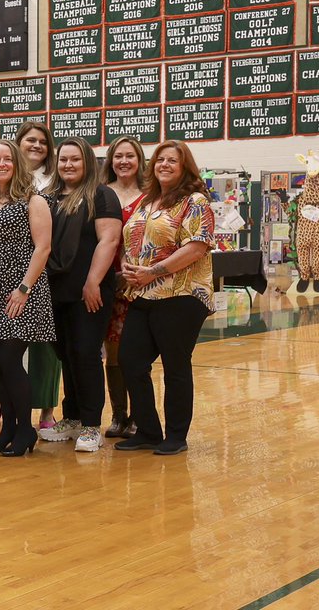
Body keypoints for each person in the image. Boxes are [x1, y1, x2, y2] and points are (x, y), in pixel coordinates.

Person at [116, 140, 216, 456]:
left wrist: (153, 271)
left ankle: (176, 435)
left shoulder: (195, 201)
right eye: (160, 160)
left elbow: (197, 247)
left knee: (175, 366)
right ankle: (147, 430)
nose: (165, 165)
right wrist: (129, 268)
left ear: (185, 166)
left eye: (173, 160)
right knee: (130, 361)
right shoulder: (148, 202)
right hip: (144, 293)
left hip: (182, 294)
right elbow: (133, 240)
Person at [0, 139, 54, 458]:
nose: (1, 164)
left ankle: (26, 429)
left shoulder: (33, 200)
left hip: (21, 289)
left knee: (9, 359)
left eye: (7, 159)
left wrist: (23, 289)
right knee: (1, 365)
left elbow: (43, 247)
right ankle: (8, 428)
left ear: (17, 163)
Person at [38, 138, 122, 453]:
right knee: (66, 355)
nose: (69, 165)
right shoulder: (47, 198)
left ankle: (90, 424)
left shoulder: (102, 195)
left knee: (86, 354)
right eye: (63, 160)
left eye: (75, 160)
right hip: (54, 288)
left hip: (90, 289)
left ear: (87, 162)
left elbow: (108, 241)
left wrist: (92, 281)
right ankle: (71, 416)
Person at [14, 120, 61, 431]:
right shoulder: (4, 176)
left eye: (42, 142)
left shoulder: (57, 182)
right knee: (4, 344)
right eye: (30, 140)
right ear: (18, 143)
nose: (36, 146)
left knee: (45, 345)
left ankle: (46, 410)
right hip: (8, 269)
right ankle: (1, 405)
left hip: (48, 268)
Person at [101, 135, 147, 438]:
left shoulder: (151, 195)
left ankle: (140, 416)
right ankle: (118, 415)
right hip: (108, 282)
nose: (124, 161)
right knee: (113, 353)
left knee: (137, 353)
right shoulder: (102, 194)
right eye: (118, 156)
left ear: (140, 160)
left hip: (142, 284)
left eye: (130, 156)